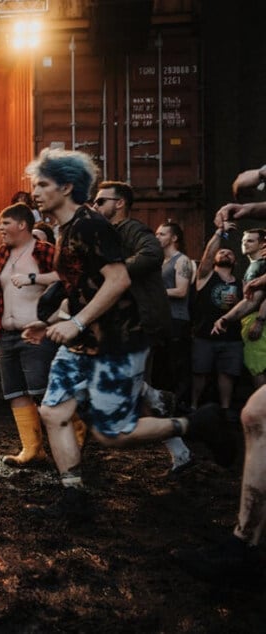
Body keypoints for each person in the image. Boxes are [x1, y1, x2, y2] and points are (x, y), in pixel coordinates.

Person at [22, 148, 235, 518]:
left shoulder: (90, 224)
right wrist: (58, 319)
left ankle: (198, 424)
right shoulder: (65, 228)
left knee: (112, 434)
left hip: (117, 342)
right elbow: (84, 285)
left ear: (68, 186)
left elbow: (118, 280)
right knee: (53, 413)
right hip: (81, 341)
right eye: (34, 185)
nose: (35, 192)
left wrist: (76, 322)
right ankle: (74, 498)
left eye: (43, 184)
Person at [177, 165, 266, 582]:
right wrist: (249, 205)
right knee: (256, 416)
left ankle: (244, 546)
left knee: (256, 415)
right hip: (219, 334)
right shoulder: (217, 270)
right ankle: (244, 544)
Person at [93, 181, 191, 477]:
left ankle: (159, 401)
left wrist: (117, 271)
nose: (95, 206)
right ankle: (179, 448)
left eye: (101, 201)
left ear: (119, 203)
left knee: (120, 386)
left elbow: (151, 254)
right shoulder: (107, 235)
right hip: (122, 324)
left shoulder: (133, 229)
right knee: (125, 387)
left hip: (141, 322)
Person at [0, 203, 62, 467]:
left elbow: (68, 277)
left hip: (35, 333)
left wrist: (34, 278)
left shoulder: (43, 250)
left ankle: (71, 444)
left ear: (22, 224)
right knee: (16, 393)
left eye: (5, 223)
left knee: (44, 393)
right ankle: (32, 450)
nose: (0, 229)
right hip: (6, 335)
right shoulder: (1, 252)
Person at [191, 227, 243, 411]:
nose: (226, 254)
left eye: (230, 253)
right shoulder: (205, 275)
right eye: (222, 252)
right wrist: (219, 233)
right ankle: (193, 407)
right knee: (200, 373)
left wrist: (238, 301)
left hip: (232, 338)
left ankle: (225, 410)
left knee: (227, 374)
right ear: (214, 258)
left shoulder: (240, 283)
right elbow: (207, 256)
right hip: (204, 335)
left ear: (235, 261)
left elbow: (247, 307)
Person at [211, 229, 266, 390]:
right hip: (251, 319)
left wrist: (259, 320)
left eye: (250, 241)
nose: (244, 244)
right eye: (244, 241)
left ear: (262, 244)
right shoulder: (254, 266)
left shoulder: (261, 265)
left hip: (257, 322)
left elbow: (259, 299)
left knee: (257, 367)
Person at [154, 220, 195, 414]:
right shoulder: (160, 262)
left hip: (177, 320)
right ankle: (164, 408)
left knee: (177, 366)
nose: (157, 237)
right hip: (161, 320)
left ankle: (180, 408)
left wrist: (154, 291)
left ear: (174, 238)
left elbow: (181, 291)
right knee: (161, 367)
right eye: (157, 234)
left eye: (162, 234)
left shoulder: (182, 260)